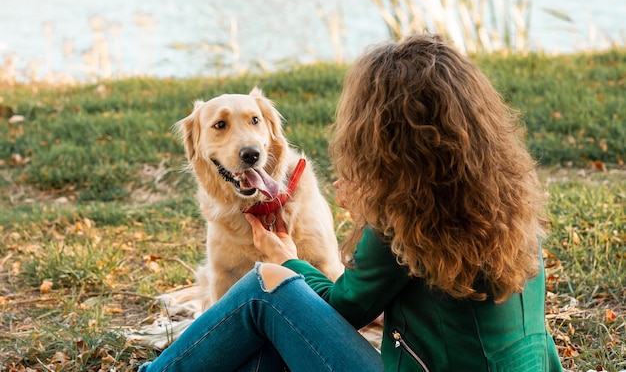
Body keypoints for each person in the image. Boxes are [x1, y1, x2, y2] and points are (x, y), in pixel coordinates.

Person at [138, 34, 563, 372]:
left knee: (264, 288)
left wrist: (289, 262)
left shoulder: (403, 223)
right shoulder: (510, 202)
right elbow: (537, 339)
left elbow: (345, 305)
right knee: (265, 347)